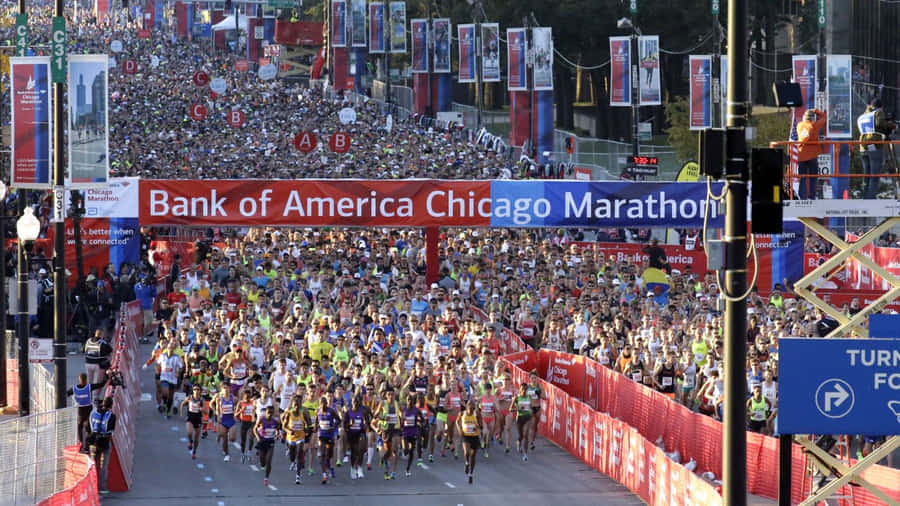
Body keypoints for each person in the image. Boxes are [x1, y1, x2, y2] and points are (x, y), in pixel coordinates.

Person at [857, 98, 898, 199]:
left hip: (862, 146)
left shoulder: (862, 116)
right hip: (874, 144)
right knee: (874, 174)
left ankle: (865, 196)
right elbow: (880, 123)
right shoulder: (878, 113)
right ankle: (871, 198)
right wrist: (892, 126)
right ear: (880, 107)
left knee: (867, 174)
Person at [67, 371, 110, 450]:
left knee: (79, 427)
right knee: (88, 427)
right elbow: (101, 385)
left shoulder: (74, 388)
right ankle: (87, 445)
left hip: (80, 410)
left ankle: (80, 444)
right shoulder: (89, 387)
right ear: (86, 379)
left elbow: (67, 394)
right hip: (88, 409)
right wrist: (107, 376)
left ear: (79, 379)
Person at [86, 396, 117, 493]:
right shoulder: (112, 416)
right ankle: (102, 488)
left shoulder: (93, 413)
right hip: (104, 443)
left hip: (93, 442)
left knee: (93, 465)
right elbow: (112, 431)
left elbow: (88, 426)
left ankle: (92, 486)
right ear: (111, 406)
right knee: (104, 466)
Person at [795, 108, 827, 199]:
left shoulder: (799, 125)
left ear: (804, 117)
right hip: (812, 156)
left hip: (801, 155)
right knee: (813, 177)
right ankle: (812, 197)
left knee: (802, 178)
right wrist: (816, 110)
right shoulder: (814, 125)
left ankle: (802, 198)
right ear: (813, 118)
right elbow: (825, 117)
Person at [282, 396, 313, 484]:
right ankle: (293, 461)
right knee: (292, 455)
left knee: (300, 452)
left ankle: (298, 476)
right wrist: (289, 431)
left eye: (298, 405)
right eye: (295, 405)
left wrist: (307, 429)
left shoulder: (304, 413)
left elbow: (309, 424)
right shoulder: (289, 413)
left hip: (300, 436)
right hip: (291, 437)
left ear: (300, 406)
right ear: (292, 405)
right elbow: (284, 426)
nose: (296, 407)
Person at [316, 396, 341, 484]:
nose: (322, 406)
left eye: (324, 404)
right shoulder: (318, 411)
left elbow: (339, 420)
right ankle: (324, 475)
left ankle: (329, 464)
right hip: (321, 435)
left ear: (326, 404)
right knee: (322, 454)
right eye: (321, 404)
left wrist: (333, 427)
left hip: (330, 435)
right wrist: (315, 429)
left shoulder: (331, 411)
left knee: (330, 454)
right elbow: (316, 422)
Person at [254, 405, 280, 487]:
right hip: (262, 442)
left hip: (270, 442)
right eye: (268, 412)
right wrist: (258, 437)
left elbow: (278, 430)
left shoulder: (275, 422)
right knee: (262, 460)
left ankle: (266, 478)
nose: (270, 414)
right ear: (266, 412)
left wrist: (277, 435)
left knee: (269, 461)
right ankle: (262, 465)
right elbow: (254, 429)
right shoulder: (262, 420)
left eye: (271, 413)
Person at [457, 400, 482, 484]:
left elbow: (481, 424)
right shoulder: (462, 414)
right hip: (466, 435)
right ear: (467, 406)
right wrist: (460, 430)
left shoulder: (477, 414)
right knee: (467, 453)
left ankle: (471, 474)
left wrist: (478, 426)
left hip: (475, 436)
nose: (472, 409)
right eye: (470, 407)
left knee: (473, 455)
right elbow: (457, 421)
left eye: (473, 407)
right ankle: (467, 462)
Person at [180, 384, 206, 459]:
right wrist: (181, 413)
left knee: (196, 438)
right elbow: (182, 404)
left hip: (198, 419)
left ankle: (194, 452)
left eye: (198, 389)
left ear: (200, 391)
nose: (196, 391)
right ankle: (190, 441)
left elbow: (206, 412)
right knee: (189, 432)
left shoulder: (202, 400)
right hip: (190, 418)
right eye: (195, 389)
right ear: (192, 390)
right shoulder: (189, 398)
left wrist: (201, 409)